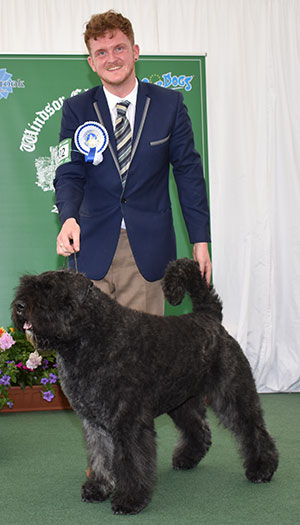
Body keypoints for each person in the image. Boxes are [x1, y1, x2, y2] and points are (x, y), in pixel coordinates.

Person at [54, 10, 211, 317]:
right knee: (90, 361)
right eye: (101, 52)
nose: (111, 59)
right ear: (91, 62)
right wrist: (69, 217)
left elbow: (188, 175)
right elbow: (69, 172)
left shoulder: (170, 105)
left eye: (119, 48)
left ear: (135, 52)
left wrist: (200, 240)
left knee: (144, 361)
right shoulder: (76, 109)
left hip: (147, 253)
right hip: (89, 247)